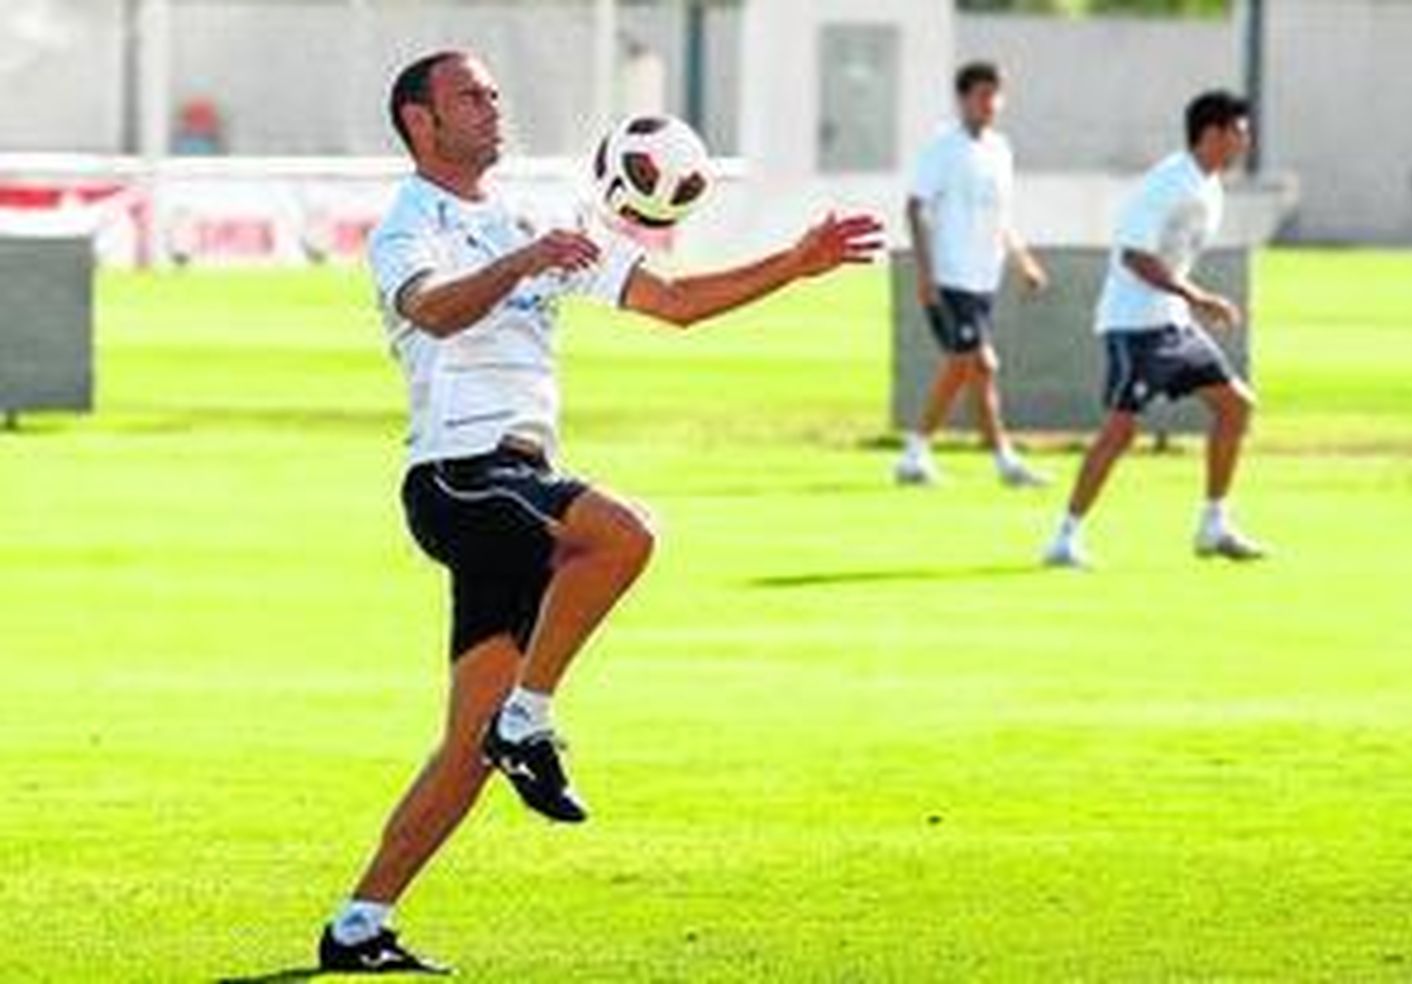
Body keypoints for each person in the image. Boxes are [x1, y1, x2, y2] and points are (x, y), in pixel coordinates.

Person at [317, 50, 882, 974]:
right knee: (625, 535)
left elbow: (675, 303)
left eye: (494, 92)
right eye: (469, 96)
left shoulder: (537, 214)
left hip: (521, 485)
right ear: (421, 121)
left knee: (465, 750)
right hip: (458, 478)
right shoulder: (408, 226)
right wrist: (525, 261)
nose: (492, 105)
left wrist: (796, 262)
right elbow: (436, 312)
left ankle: (358, 924)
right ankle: (528, 721)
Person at [1041, 90, 1267, 570]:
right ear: (1212, 133)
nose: (1245, 143)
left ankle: (1213, 526)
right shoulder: (1168, 183)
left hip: (1173, 324)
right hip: (1134, 326)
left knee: (1236, 407)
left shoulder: (1210, 188)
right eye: (1239, 133)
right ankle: (1064, 537)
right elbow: (1135, 256)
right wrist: (1197, 297)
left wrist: (1187, 302)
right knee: (1121, 432)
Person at [895, 61, 1049, 488]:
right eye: (982, 95)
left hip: (984, 279)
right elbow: (915, 206)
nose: (990, 103)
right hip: (950, 277)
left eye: (996, 95)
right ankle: (915, 452)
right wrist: (925, 274)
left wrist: (1023, 261)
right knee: (970, 362)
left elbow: (1001, 216)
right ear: (963, 99)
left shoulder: (1000, 150)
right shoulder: (943, 148)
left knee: (980, 370)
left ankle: (1004, 462)